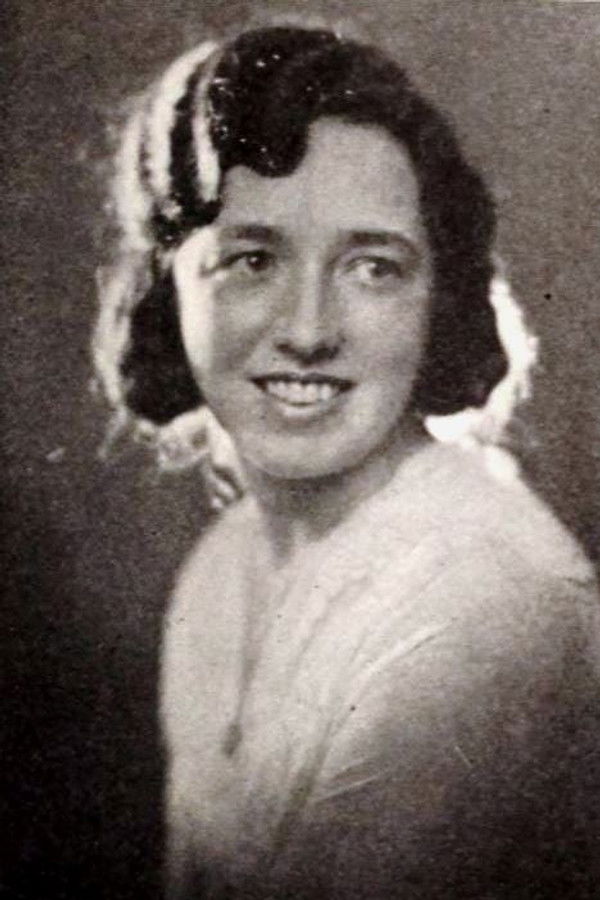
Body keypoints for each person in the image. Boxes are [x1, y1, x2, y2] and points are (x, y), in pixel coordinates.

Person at [93, 24, 600, 899]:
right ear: (167, 289)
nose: (308, 330)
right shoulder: (222, 569)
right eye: (252, 259)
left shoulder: (478, 602)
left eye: (373, 268)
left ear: (438, 300)